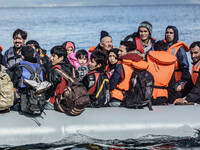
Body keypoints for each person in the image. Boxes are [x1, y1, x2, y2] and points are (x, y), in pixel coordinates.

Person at [109, 40, 149, 107]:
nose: (118, 53)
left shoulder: (121, 66)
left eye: (121, 51)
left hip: (119, 99)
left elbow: (112, 84)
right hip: (137, 100)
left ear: (128, 52)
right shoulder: (142, 64)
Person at [45, 45, 78, 110]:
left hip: (56, 103)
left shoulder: (55, 71)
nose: (51, 58)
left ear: (61, 58)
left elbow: (50, 90)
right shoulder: (72, 68)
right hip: (71, 101)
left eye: (54, 56)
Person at [11, 46, 43, 110]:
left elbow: (13, 85)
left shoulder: (20, 68)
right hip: (38, 98)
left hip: (24, 98)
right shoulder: (40, 68)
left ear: (22, 56)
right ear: (34, 55)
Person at [164, 25, 190, 98]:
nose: (168, 34)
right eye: (167, 32)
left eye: (171, 33)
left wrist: (183, 82)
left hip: (176, 81)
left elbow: (185, 68)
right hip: (164, 81)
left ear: (175, 34)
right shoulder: (161, 46)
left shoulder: (180, 50)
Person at [147, 41, 177, 105]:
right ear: (166, 49)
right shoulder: (172, 62)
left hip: (148, 94)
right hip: (163, 96)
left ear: (154, 49)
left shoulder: (148, 58)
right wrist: (171, 101)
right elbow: (172, 84)